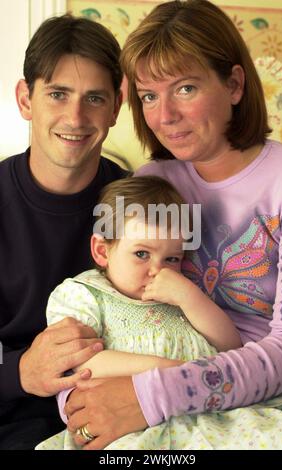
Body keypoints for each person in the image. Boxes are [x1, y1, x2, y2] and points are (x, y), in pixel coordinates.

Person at [63, 0, 282, 450]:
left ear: (233, 84)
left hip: (262, 394)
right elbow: (105, 299)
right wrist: (84, 405)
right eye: (149, 96)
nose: (164, 116)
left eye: (185, 88)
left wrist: (153, 395)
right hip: (157, 380)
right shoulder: (150, 183)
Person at [36, 174, 247, 450]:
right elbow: (83, 364)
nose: (157, 270)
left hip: (211, 414)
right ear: (102, 251)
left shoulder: (181, 296)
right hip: (130, 423)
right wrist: (167, 371)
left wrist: (190, 297)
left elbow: (232, 345)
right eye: (142, 254)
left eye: (172, 258)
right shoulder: (84, 294)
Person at [0, 14, 128, 450]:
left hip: (120, 419)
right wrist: (19, 370)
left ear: (116, 106)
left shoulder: (145, 205)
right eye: (57, 94)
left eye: (94, 98)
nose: (75, 117)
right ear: (25, 99)